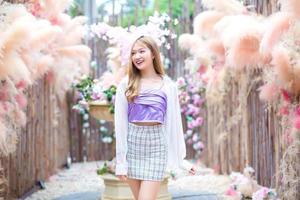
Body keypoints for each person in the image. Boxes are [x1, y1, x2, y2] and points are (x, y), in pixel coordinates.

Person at [114, 35, 194, 200]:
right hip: (133, 146)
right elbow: (120, 125)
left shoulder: (168, 86)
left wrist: (181, 160)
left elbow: (174, 125)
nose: (137, 56)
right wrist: (121, 162)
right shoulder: (126, 84)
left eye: (141, 51)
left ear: (153, 54)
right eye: (133, 53)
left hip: (156, 147)